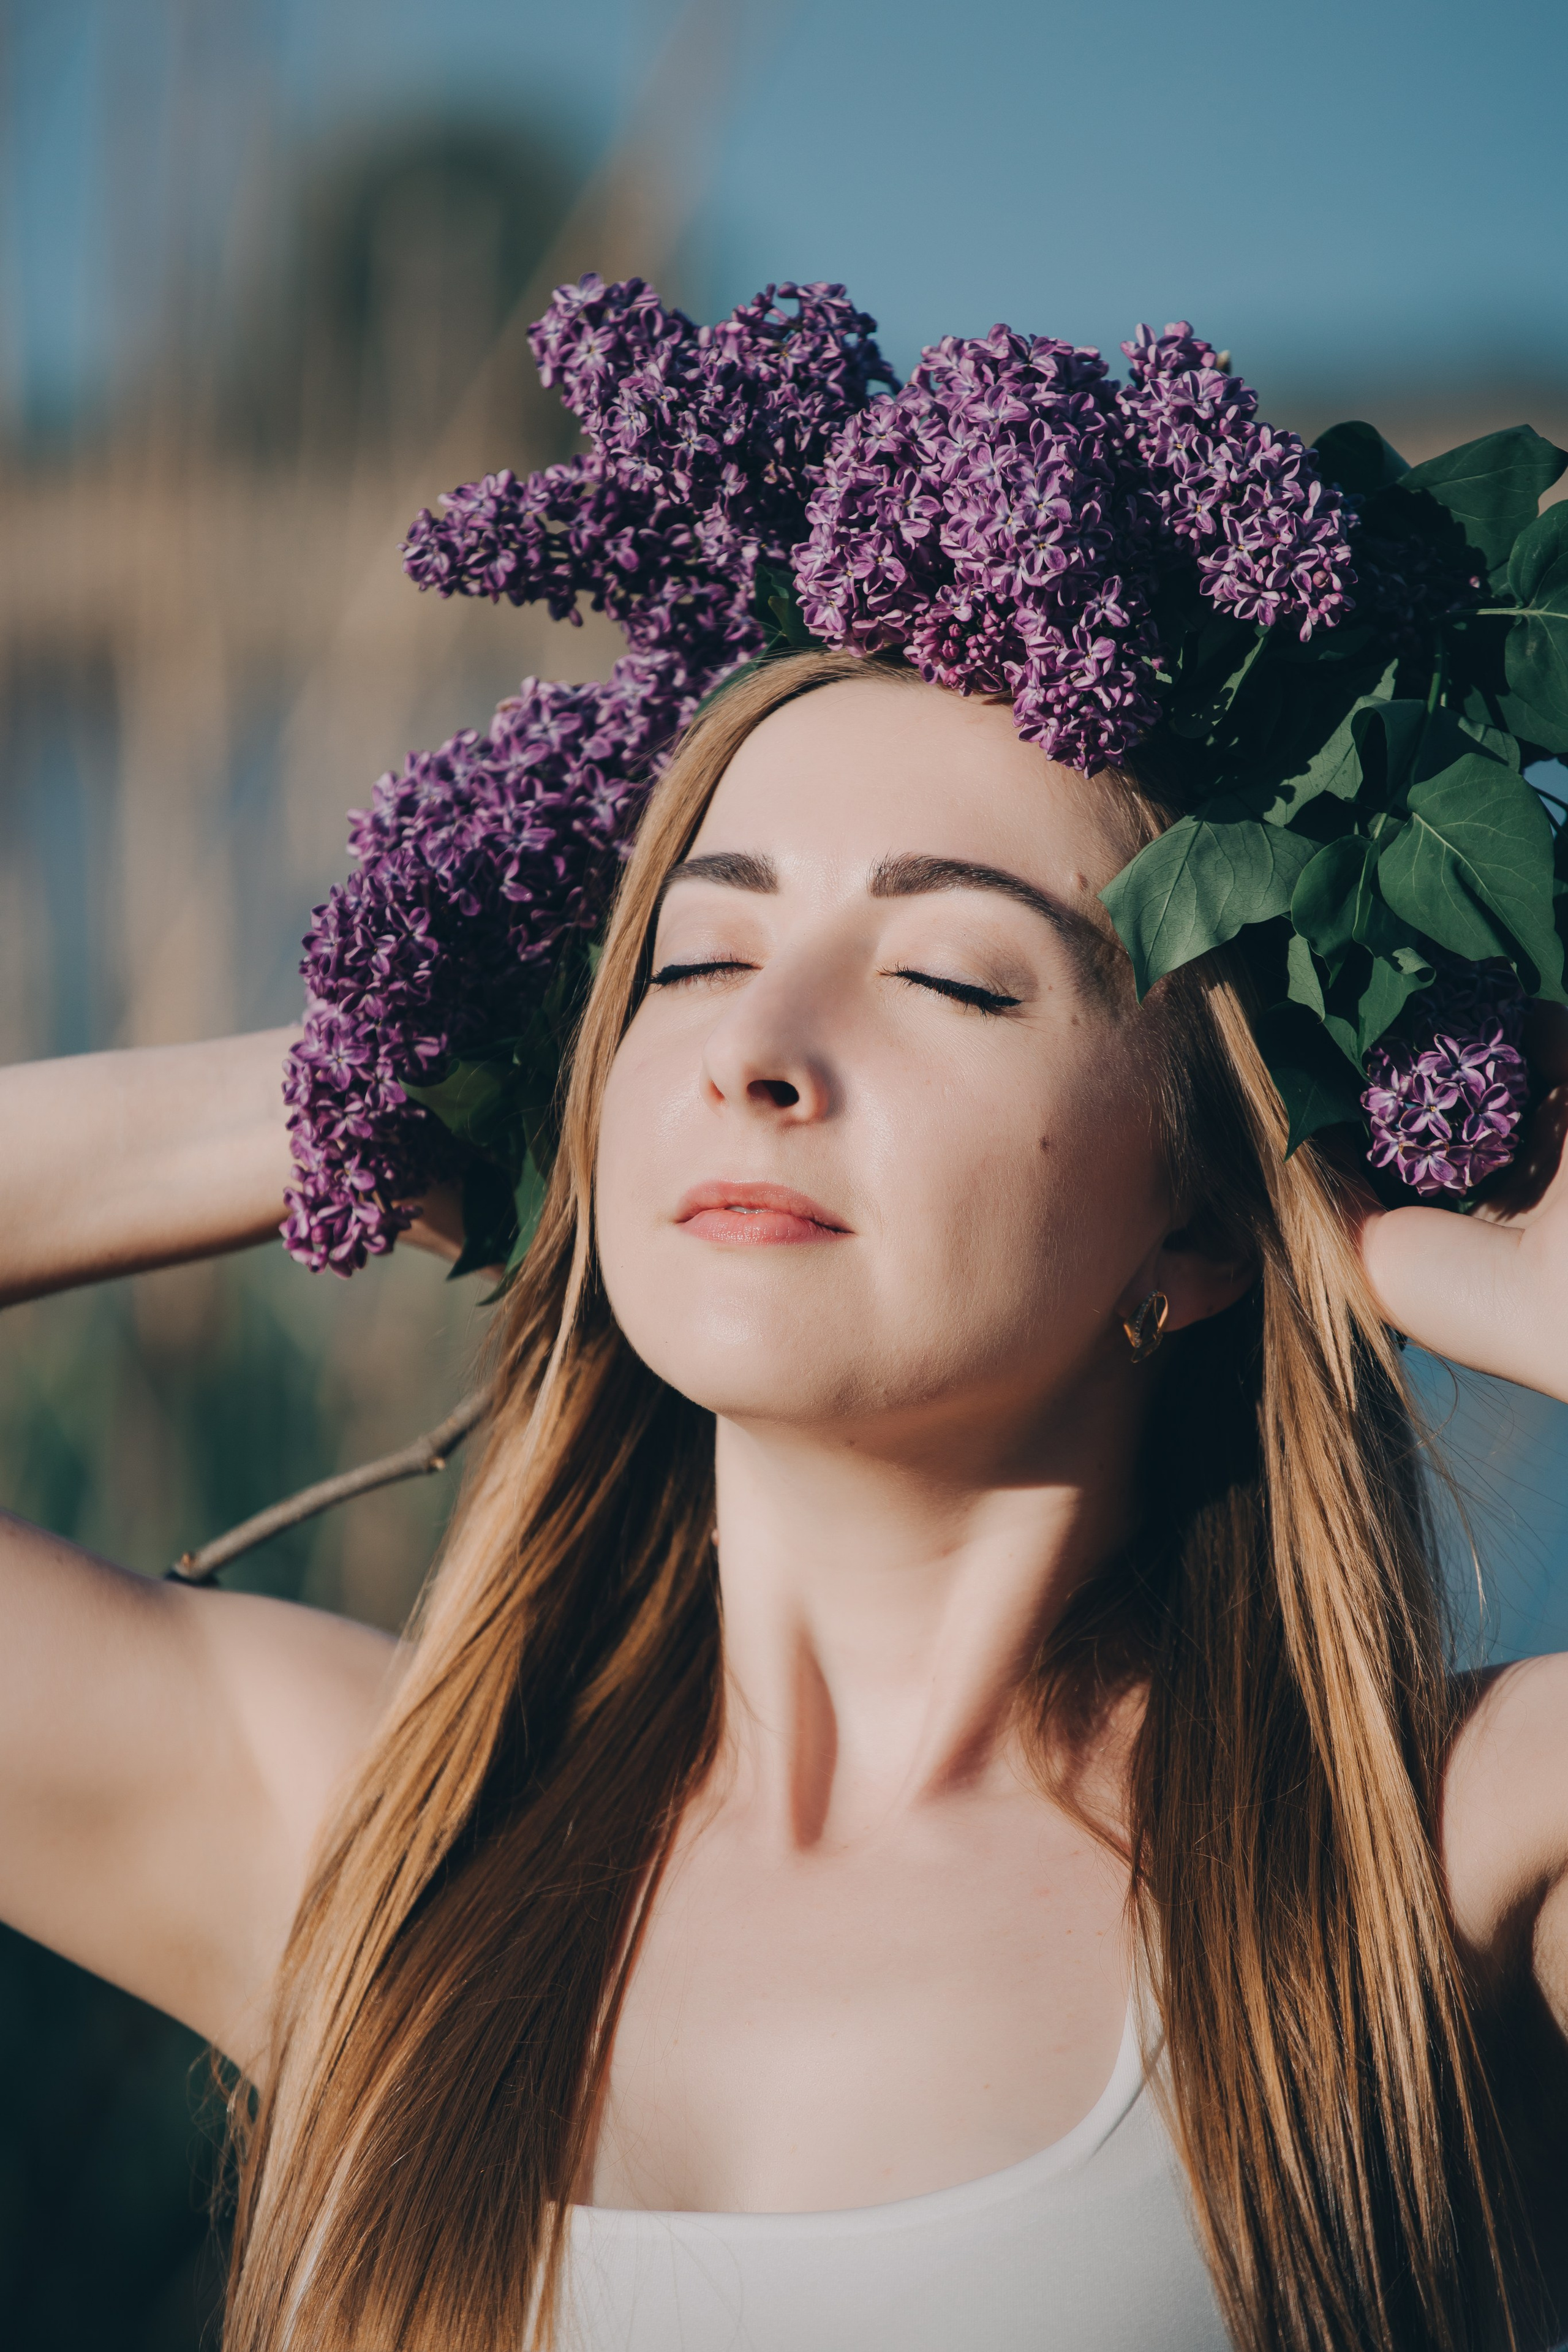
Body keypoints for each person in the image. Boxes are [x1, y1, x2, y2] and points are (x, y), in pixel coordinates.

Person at [3, 281, 1567, 2352]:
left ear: (1197, 1221)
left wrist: (1454, 1256)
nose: (759, 1049)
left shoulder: (1425, 1862)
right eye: (687, 959)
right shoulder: (360, 1839)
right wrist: (357, 1084)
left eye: (950, 977)